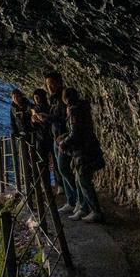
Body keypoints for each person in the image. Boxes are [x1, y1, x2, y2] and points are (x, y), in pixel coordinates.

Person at [64, 88, 105, 221]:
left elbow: (75, 132)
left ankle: (95, 211)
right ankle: (83, 208)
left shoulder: (74, 110)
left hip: (83, 151)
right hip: (84, 150)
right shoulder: (81, 108)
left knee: (84, 180)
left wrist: (63, 142)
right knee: (79, 179)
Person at [44, 73, 79, 213]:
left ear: (59, 83)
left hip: (64, 138)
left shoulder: (63, 99)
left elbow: (65, 119)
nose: (50, 86)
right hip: (56, 137)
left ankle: (77, 200)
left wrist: (49, 118)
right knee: (61, 169)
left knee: (65, 168)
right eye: (47, 84)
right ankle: (71, 201)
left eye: (52, 83)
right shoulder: (52, 100)